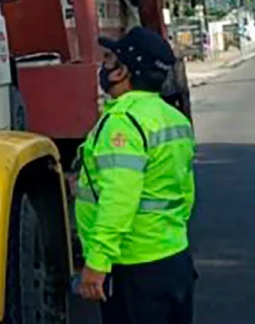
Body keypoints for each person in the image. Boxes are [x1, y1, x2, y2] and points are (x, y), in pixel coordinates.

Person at [74, 26, 198, 324]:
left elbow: (119, 199)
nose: (104, 66)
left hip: (136, 267)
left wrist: (97, 262)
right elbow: (186, 192)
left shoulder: (123, 123)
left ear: (121, 73)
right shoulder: (175, 118)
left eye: (109, 60)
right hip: (176, 259)